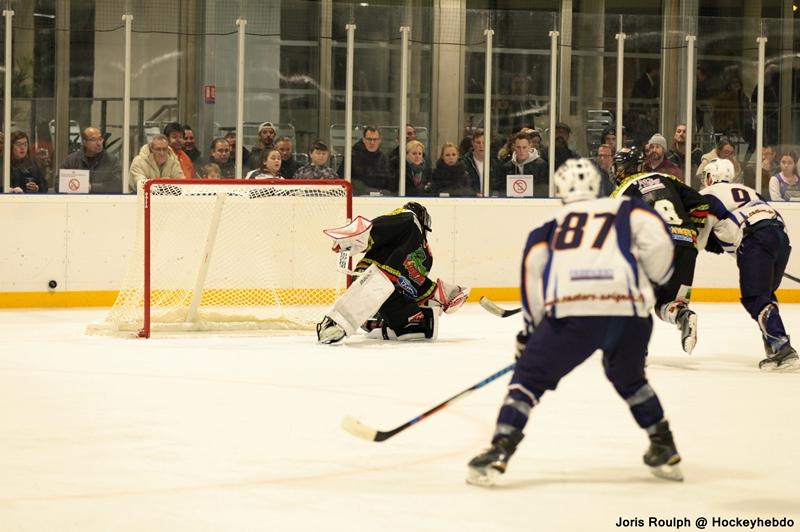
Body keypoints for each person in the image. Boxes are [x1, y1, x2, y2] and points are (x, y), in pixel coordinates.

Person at [466, 158, 682, 487]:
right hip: (629, 312)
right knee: (629, 377)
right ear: (598, 184)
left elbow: (532, 278)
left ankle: (500, 449)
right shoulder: (626, 208)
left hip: (573, 314)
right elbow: (660, 242)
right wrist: (653, 280)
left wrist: (530, 333)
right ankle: (663, 444)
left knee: (528, 379)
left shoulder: (548, 226)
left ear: (560, 190)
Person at [316, 202, 469, 344]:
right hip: (381, 276)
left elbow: (417, 280)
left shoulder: (419, 242)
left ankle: (395, 324)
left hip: (385, 281)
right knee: (383, 295)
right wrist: (446, 294)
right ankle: (341, 323)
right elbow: (383, 226)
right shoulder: (410, 220)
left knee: (410, 321)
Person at [699, 158, 797, 371]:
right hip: (780, 237)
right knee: (765, 294)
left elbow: (700, 239)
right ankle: (774, 346)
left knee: (755, 297)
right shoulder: (749, 191)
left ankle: (782, 347)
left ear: (712, 176)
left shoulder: (708, 195)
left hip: (755, 239)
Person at [611, 147, 709, 354]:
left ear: (627, 168)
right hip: (686, 247)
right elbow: (701, 204)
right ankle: (683, 316)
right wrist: (691, 231)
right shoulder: (666, 178)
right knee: (668, 304)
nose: (616, 171)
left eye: (619, 167)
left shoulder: (622, 191)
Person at [59, 126, 122, 193]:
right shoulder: (71, 160)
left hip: (102, 199)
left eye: (100, 139)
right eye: (93, 140)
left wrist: (91, 187)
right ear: (84, 142)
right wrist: (77, 186)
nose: (99, 143)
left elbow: (118, 186)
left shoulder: (111, 160)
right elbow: (58, 184)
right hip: (78, 199)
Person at [336, 126, 393, 195]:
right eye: (369, 139)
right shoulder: (352, 156)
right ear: (363, 139)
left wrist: (384, 192)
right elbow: (342, 178)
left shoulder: (384, 159)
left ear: (380, 140)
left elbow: (389, 182)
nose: (372, 142)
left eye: (375, 139)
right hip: (356, 197)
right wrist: (363, 190)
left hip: (380, 197)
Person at [497, 131, 548, 197]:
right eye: (518, 147)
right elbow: (502, 189)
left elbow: (543, 189)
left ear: (530, 146)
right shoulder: (507, 167)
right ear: (514, 146)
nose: (521, 151)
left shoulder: (541, 165)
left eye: (524, 147)